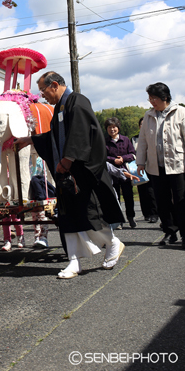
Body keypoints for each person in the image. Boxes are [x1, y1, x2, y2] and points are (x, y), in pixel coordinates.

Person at [15, 71, 124, 279]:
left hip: (81, 173)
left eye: (44, 90)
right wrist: (31, 140)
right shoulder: (60, 109)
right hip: (67, 174)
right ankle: (73, 261)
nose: (43, 96)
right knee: (67, 218)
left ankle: (113, 243)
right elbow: (55, 137)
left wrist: (67, 159)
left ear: (54, 85)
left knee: (89, 214)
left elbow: (80, 135)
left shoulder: (77, 102)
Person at [136, 82, 185, 248]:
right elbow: (142, 142)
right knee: (162, 201)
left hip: (178, 165)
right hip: (156, 167)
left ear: (165, 97)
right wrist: (140, 162)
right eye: (149, 98)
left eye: (154, 98)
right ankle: (170, 231)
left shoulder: (180, 112)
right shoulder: (148, 116)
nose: (151, 101)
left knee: (180, 200)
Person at [104, 117, 136, 228]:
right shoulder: (104, 141)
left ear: (118, 128)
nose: (112, 129)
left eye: (114, 127)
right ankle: (118, 220)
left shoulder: (126, 140)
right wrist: (114, 160)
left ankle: (131, 217)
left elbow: (133, 154)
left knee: (128, 196)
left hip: (126, 173)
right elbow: (103, 157)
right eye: (109, 127)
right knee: (115, 197)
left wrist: (123, 158)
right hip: (111, 173)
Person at [131, 117, 158, 223]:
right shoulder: (134, 139)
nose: (142, 126)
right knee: (142, 191)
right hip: (138, 167)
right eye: (141, 124)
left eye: (144, 124)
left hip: (151, 166)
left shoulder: (152, 137)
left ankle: (154, 213)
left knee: (151, 191)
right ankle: (146, 214)